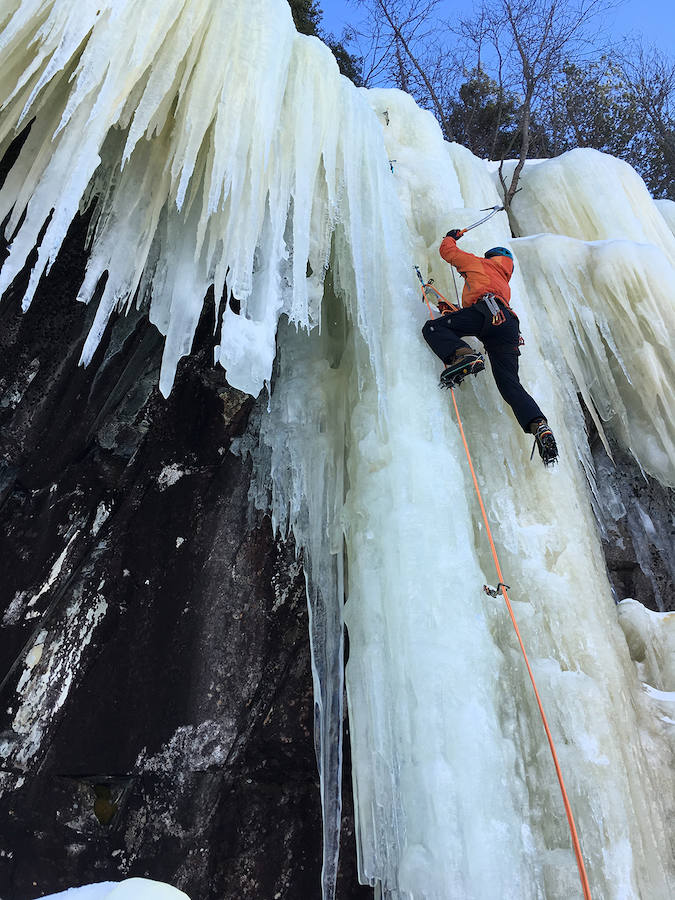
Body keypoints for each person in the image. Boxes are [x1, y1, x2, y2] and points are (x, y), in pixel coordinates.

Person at [421, 229, 558, 466]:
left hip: (488, 314)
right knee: (510, 384)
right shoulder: (504, 284)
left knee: (433, 329)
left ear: (490, 257)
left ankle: (464, 356)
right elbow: (477, 314)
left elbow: (448, 252)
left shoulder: (480, 264)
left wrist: (451, 236)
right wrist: (452, 310)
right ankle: (539, 425)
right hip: (507, 326)